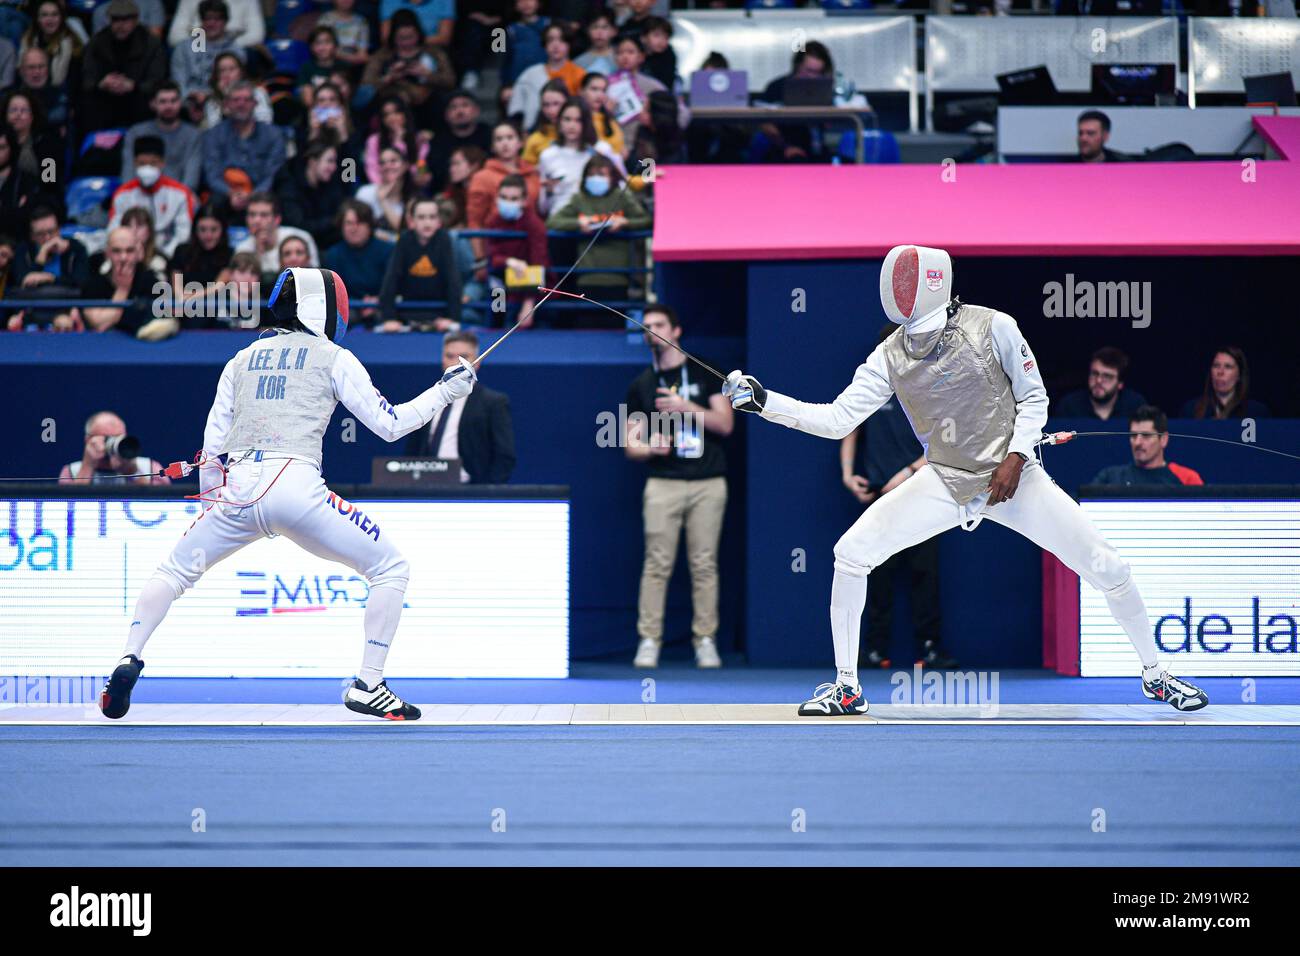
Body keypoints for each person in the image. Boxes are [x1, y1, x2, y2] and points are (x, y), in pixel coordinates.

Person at [723, 244, 1210, 715]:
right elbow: (836, 420)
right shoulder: (888, 354)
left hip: (1014, 480)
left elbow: (1034, 398)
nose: (900, 288)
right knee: (851, 554)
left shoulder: (994, 326)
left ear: (932, 283)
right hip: (946, 479)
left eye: (909, 280)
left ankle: (1155, 672)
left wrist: (1016, 457)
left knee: (1107, 566)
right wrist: (765, 402)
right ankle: (847, 688)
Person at [98, 266, 480, 722]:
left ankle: (128, 656)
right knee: (390, 568)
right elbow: (390, 425)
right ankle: (369, 684)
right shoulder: (333, 356)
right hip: (295, 488)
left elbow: (212, 445)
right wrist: (444, 391)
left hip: (235, 492)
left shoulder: (239, 359)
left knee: (174, 572)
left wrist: (210, 511)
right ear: (322, 306)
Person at [624, 303, 733, 670]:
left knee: (704, 564)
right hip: (663, 482)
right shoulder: (641, 385)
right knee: (657, 564)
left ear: (676, 330)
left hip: (707, 482)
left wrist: (685, 406)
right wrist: (648, 447)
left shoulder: (703, 372)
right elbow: (630, 443)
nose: (651, 331)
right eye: (646, 326)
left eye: (659, 324)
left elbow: (725, 423)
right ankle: (649, 639)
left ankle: (705, 639)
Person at [840, 327, 953, 671]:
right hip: (877, 494)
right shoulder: (872, 384)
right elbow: (849, 424)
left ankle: (929, 649)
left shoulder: (933, 385)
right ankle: (873, 650)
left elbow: (945, 440)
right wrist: (848, 474)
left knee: (925, 573)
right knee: (875, 572)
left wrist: (906, 474)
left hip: (922, 492)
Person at [546, 153, 650, 319]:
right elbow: (552, 222)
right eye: (592, 174)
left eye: (601, 174)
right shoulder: (579, 199)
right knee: (587, 325)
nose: (596, 178)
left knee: (614, 324)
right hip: (587, 276)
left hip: (618, 276)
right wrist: (579, 223)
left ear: (611, 177)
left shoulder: (621, 196)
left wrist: (625, 222)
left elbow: (646, 220)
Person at [404, 330, 517, 483]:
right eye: (450, 356)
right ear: (442, 360)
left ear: (477, 362)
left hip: (470, 492)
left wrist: (487, 494)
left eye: (464, 357)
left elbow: (504, 455)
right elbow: (413, 448)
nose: (456, 364)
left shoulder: (493, 402)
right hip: (425, 487)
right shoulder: (427, 399)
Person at [201, 81, 287, 220]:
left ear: (255, 104)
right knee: (212, 205)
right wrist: (231, 193)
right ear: (226, 104)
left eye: (246, 100)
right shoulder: (213, 135)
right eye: (235, 100)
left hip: (262, 193)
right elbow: (212, 174)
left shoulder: (273, 135)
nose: (241, 104)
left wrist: (252, 195)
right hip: (225, 195)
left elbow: (273, 174)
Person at [80, 0, 167, 131]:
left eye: (126, 20)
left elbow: (157, 80)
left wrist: (133, 86)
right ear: (109, 20)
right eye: (116, 20)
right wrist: (101, 83)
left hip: (138, 100)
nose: (120, 25)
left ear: (136, 20)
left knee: (150, 101)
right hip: (105, 100)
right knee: (87, 102)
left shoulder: (151, 44)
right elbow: (86, 77)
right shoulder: (97, 42)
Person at [378, 196, 462, 331]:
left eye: (432, 217)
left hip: (439, 313)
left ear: (439, 221)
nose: (427, 222)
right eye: (421, 217)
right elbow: (391, 279)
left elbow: (453, 280)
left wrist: (453, 318)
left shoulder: (444, 239)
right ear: (412, 221)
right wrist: (389, 318)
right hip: (407, 311)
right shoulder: (404, 239)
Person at [108, 135, 197, 259]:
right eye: (142, 163)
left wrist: (164, 256)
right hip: (129, 254)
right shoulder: (122, 194)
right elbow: (114, 231)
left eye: (153, 163)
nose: (147, 168)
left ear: (162, 163)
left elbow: (183, 234)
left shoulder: (180, 193)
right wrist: (130, 253)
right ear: (134, 163)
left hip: (168, 255)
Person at [78, 224, 173, 338]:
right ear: (107, 253)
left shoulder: (152, 282)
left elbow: (167, 320)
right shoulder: (93, 284)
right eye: (117, 251)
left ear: (138, 253)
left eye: (129, 251)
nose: (123, 258)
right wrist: (123, 289)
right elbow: (100, 324)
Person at [537, 96, 625, 216]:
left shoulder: (602, 149)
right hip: (561, 222)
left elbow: (622, 186)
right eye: (567, 119)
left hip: (596, 220)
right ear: (559, 121)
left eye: (578, 120)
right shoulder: (548, 155)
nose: (572, 125)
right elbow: (542, 208)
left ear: (587, 122)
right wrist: (547, 192)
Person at [480, 173, 547, 328]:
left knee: (530, 322)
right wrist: (508, 261)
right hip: (501, 281)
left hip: (529, 286)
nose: (507, 202)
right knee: (496, 300)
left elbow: (539, 264)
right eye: (504, 197)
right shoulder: (492, 221)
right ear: (497, 198)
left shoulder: (535, 224)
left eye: (514, 199)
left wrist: (529, 304)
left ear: (523, 201)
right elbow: (493, 257)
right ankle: (496, 327)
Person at [1091, 406, 1204, 487]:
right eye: (1133, 435)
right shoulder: (1110, 478)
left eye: (1146, 435)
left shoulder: (1187, 479)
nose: (1137, 442)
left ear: (1163, 439)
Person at [121, 80, 203, 192]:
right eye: (163, 102)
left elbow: (191, 179)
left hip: (180, 196)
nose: (169, 106)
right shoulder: (136, 133)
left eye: (173, 101)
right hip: (140, 196)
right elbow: (128, 174)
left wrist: (177, 199)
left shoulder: (193, 135)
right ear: (153, 104)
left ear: (180, 103)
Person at [324, 200, 394, 325]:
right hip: (347, 312)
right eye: (349, 223)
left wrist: (378, 299)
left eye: (360, 223)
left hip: (381, 309)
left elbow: (393, 285)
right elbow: (332, 293)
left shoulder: (388, 250)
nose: (353, 228)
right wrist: (359, 305)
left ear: (370, 226)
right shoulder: (333, 255)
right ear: (341, 226)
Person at [507, 22, 585, 129]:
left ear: (569, 44)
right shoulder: (530, 75)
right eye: (550, 40)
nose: (555, 45)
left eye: (562, 40)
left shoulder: (580, 74)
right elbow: (516, 109)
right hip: (534, 132)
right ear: (545, 45)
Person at [59, 411, 170, 485]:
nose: (113, 443)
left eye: (118, 438)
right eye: (106, 438)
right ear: (88, 440)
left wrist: (133, 472)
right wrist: (87, 467)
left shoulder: (149, 468)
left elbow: (164, 504)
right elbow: (69, 509)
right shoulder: (71, 472)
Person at [277, 141, 347, 250]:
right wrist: (333, 222)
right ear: (312, 162)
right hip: (298, 245)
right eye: (329, 161)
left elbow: (342, 211)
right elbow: (299, 226)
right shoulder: (290, 187)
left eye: (335, 162)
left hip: (327, 244)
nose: (334, 167)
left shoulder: (331, 184)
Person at [170, 0, 244, 102]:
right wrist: (190, 97)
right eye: (207, 18)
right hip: (188, 103)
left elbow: (235, 87)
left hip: (222, 102)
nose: (211, 23)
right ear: (201, 20)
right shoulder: (183, 48)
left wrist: (210, 97)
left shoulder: (236, 51)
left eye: (217, 19)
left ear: (226, 21)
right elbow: (178, 83)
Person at [1053, 346, 1149, 421]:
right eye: (1095, 374)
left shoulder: (1135, 405)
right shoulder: (1069, 406)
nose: (1098, 380)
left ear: (1120, 383)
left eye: (1107, 376)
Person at [234, 192, 320, 272]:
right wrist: (258, 254)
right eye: (252, 214)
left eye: (264, 215)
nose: (256, 220)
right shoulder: (242, 249)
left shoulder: (301, 238)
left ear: (277, 219)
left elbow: (315, 275)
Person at [426, 89, 492, 193]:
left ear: (476, 111)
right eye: (453, 107)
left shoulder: (489, 134)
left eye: (465, 105)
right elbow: (436, 173)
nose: (460, 111)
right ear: (446, 115)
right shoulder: (438, 141)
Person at [1180, 347, 1270, 419]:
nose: (1220, 372)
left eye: (1228, 367)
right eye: (1216, 366)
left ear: (1239, 375)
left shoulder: (1256, 412)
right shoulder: (1191, 410)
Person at [357, 145, 420, 241]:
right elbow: (357, 227)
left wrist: (383, 200)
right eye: (382, 163)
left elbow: (405, 231)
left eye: (393, 161)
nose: (387, 166)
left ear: (405, 166)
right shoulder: (365, 193)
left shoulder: (413, 199)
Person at [20, 1, 85, 88]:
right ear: (38, 19)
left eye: (54, 15)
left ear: (61, 18)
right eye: (44, 15)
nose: (50, 19)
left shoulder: (72, 45)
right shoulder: (28, 40)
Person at [168, 0, 264, 49]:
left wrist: (225, 46)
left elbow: (256, 35)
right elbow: (175, 37)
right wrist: (202, 46)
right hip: (197, 51)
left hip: (233, 51)